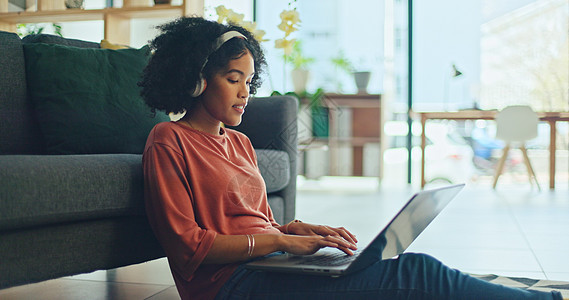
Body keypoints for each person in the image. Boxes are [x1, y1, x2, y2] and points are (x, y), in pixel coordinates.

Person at [139, 17, 561, 300]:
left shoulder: (240, 144)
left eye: (249, 80)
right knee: (416, 274)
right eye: (233, 79)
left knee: (394, 270)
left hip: (270, 265)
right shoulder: (168, 141)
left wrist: (297, 231)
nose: (245, 91)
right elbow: (188, 246)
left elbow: (255, 224)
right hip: (229, 285)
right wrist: (282, 241)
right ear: (196, 79)